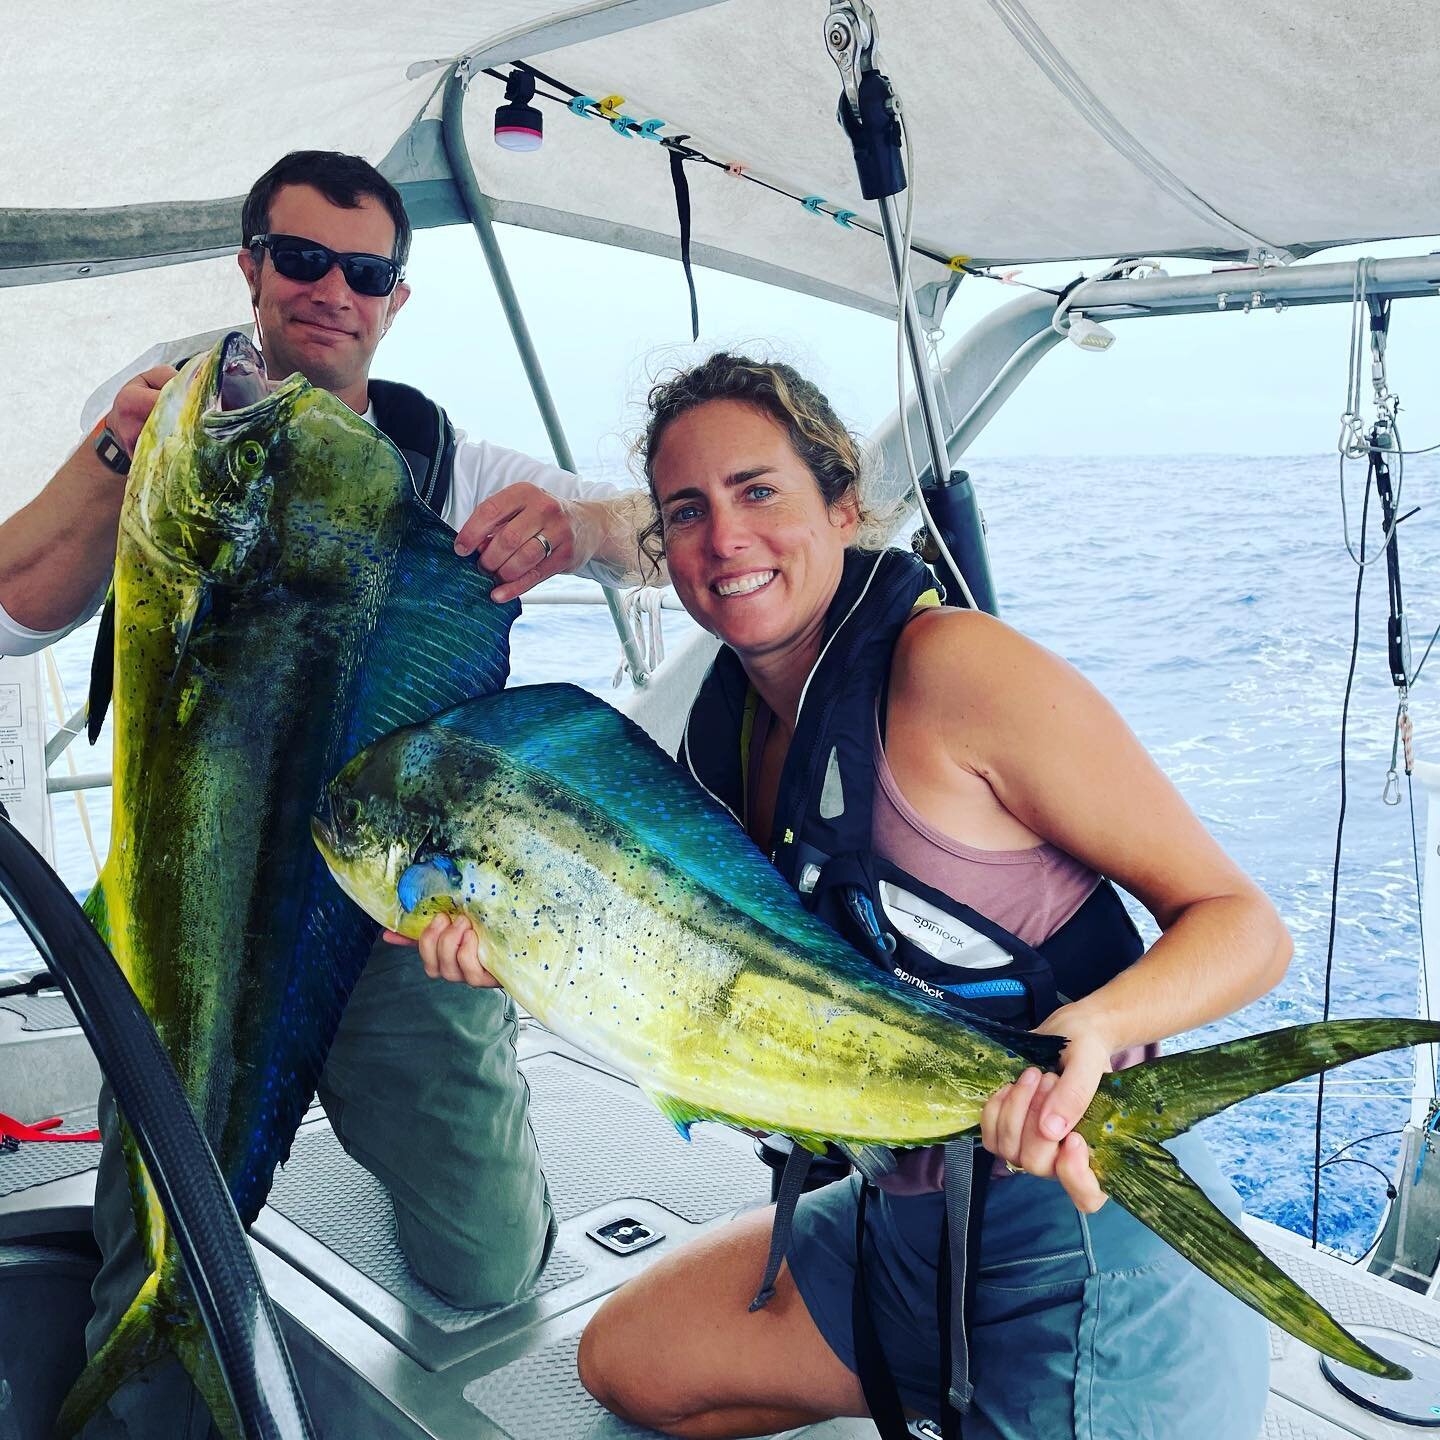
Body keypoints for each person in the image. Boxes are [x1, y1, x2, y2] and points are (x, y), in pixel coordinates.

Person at [0, 150, 649, 1440]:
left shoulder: (442, 454)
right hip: (196, 898)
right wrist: (114, 451)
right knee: (164, 1231)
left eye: (365, 272)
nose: (331, 292)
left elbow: (678, 539)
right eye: (300, 259)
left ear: (394, 298)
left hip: (392, 911)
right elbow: (18, 603)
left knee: (488, 1265)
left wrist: (581, 534)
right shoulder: (167, 425)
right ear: (251, 266)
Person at [540, 353, 1289, 1438]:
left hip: (1081, 1229)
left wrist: (1092, 1032)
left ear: (843, 506)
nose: (725, 539)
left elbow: (1246, 928)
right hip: (906, 1227)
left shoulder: (957, 672)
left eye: (759, 492)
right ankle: (941, 1382)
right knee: (629, 1366)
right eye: (686, 511)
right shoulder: (725, 732)